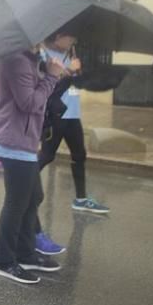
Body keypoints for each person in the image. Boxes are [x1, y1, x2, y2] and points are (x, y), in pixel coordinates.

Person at [0, 41, 66, 285]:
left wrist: (46, 72)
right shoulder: (17, 60)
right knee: (17, 203)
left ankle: (25, 254)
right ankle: (4, 260)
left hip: (24, 141)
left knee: (33, 197)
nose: (43, 40)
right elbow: (29, 103)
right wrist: (51, 78)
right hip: (14, 142)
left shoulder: (28, 59)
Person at [37, 30, 110, 214]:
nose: (73, 40)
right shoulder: (44, 55)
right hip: (55, 115)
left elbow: (76, 83)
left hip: (73, 115)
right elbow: (48, 85)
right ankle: (22, 183)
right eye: (70, 37)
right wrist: (69, 71)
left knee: (79, 155)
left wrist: (79, 74)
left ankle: (81, 199)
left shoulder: (71, 55)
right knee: (47, 155)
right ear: (58, 36)